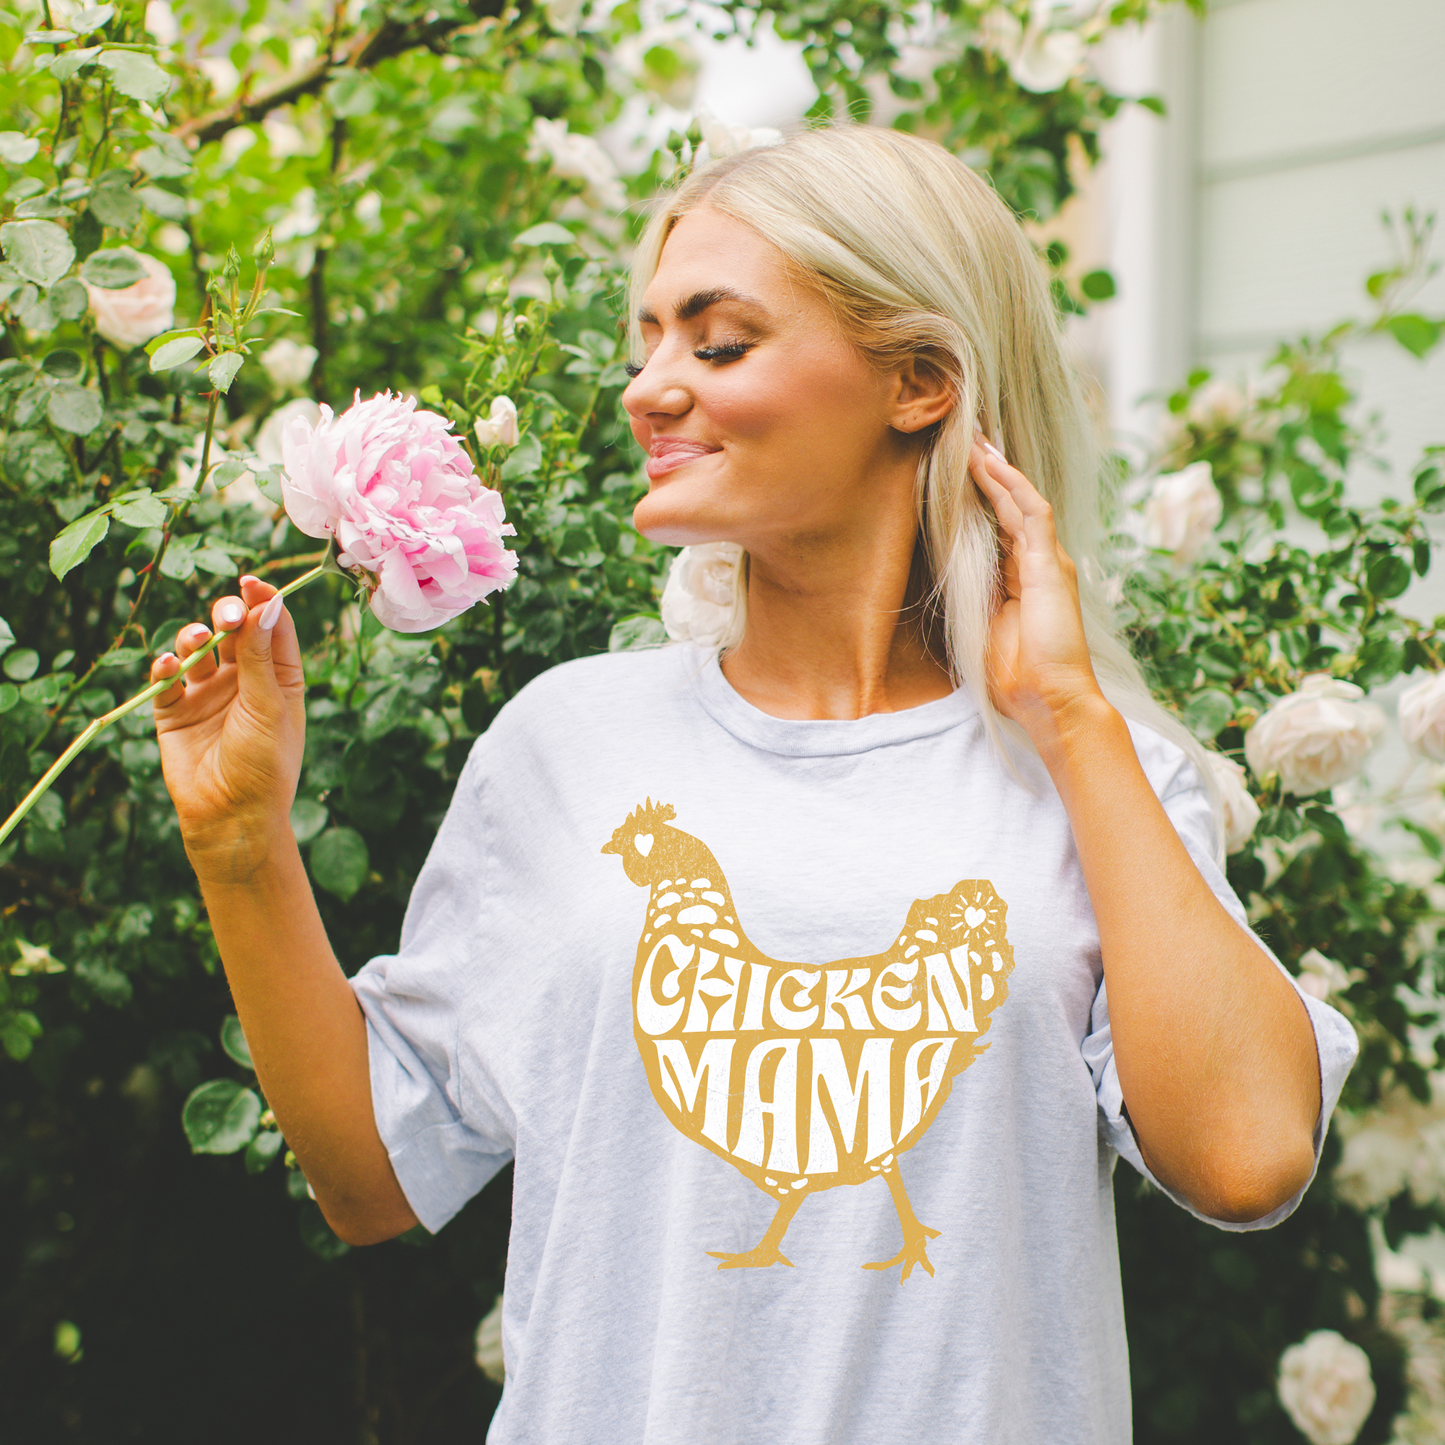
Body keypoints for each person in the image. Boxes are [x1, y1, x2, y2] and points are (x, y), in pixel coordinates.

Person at [149, 126, 1355, 1444]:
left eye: (717, 345)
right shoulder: (569, 747)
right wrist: (238, 847)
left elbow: (1247, 1155)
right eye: (646, 347)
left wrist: (1069, 713)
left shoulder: (1095, 776)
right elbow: (374, 1174)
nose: (650, 389)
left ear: (920, 381)